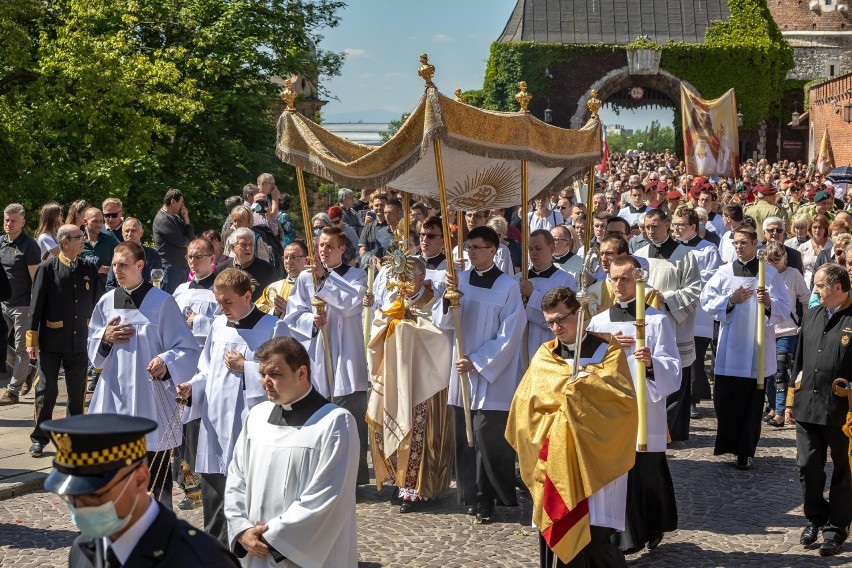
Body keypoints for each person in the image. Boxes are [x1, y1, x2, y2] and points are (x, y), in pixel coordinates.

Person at [506, 286, 637, 568]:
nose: (555, 327)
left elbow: (622, 402)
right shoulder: (545, 355)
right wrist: (560, 416)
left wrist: (584, 388)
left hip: (594, 461)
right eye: (550, 322)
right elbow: (525, 409)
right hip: (552, 459)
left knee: (595, 537)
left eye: (561, 319)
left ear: (579, 313)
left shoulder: (607, 351)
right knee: (554, 529)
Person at [224, 337, 359, 567]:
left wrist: (274, 537)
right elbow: (236, 478)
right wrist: (242, 529)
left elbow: (327, 495)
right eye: (262, 374)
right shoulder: (256, 416)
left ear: (301, 373)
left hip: (305, 553)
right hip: (254, 550)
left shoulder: (335, 423)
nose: (266, 382)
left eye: (275, 374)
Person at [41, 414, 239, 567]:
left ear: (140, 479)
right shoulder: (83, 549)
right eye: (71, 497)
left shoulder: (200, 559)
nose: (79, 507)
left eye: (94, 495)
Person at [87, 241, 201, 508]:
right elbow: (93, 352)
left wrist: (165, 361)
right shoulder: (106, 302)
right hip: (115, 398)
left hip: (150, 399)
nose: (117, 270)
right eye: (115, 265)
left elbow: (186, 348)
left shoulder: (162, 302)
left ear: (140, 265)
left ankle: (161, 527)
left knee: (155, 474)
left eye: (123, 265)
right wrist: (104, 338)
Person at [177, 268, 284, 544]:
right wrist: (192, 387)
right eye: (218, 302)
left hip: (250, 427)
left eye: (227, 302)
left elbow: (285, 379)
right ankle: (215, 556)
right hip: (216, 428)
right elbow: (206, 371)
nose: (221, 308)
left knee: (248, 502)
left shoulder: (272, 328)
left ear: (247, 296)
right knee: (215, 503)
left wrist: (246, 367)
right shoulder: (217, 326)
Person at [587, 257, 681, 554]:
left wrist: (652, 363)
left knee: (646, 472)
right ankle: (624, 537)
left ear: (639, 282)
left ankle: (653, 525)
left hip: (644, 409)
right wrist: (606, 347)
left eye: (625, 279)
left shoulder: (656, 320)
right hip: (610, 411)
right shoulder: (598, 323)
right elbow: (585, 368)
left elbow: (673, 367)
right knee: (617, 475)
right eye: (614, 279)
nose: (619, 285)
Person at [434, 225, 526, 521]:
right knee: (464, 435)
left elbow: (510, 333)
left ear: (493, 251)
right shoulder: (460, 281)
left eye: (476, 247)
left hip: (490, 375)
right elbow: (444, 323)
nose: (471, 252)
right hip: (461, 371)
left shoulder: (508, 287)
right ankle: (471, 496)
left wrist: (477, 361)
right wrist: (449, 300)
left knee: (487, 437)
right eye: (469, 247)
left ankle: (490, 497)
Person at [284, 226, 370, 485]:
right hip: (319, 354)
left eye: (329, 246)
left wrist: (324, 281)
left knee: (349, 420)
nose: (323, 250)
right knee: (320, 420)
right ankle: (324, 478)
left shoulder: (357, 276)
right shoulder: (303, 279)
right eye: (320, 245)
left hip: (347, 357)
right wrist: (312, 319)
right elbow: (293, 314)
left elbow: (349, 304)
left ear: (342, 249)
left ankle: (352, 480)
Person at [366, 257, 454, 512]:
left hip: (424, 381)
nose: (402, 283)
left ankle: (419, 489)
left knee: (418, 431)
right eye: (398, 277)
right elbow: (377, 329)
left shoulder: (436, 304)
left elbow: (441, 335)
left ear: (421, 279)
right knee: (388, 426)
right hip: (395, 378)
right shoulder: (395, 304)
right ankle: (399, 480)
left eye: (407, 277)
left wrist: (406, 328)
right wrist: (389, 324)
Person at [701, 226, 791, 469]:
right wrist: (730, 300)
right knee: (727, 399)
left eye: (743, 242)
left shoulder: (768, 274)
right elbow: (706, 300)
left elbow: (786, 307)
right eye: (735, 243)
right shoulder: (724, 272)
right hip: (730, 347)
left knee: (752, 402)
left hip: (756, 349)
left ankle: (745, 450)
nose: (738, 246)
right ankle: (727, 444)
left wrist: (769, 302)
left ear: (754, 243)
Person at [786, 263, 852, 557]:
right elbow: (798, 360)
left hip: (842, 411)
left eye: (820, 285)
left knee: (844, 471)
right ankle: (816, 516)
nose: (815, 290)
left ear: (838, 288)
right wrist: (790, 400)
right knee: (807, 467)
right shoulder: (812, 314)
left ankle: (837, 528)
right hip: (807, 407)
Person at [26, 225, 102, 457]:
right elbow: (36, 305)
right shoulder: (48, 268)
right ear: (64, 242)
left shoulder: (88, 267)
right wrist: (32, 339)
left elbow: (100, 303)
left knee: (76, 394)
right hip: (51, 341)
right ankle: (40, 437)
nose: (83, 242)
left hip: (79, 340)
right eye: (79, 238)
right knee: (46, 392)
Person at [634, 209, 701, 442]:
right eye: (647, 227)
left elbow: (694, 290)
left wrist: (667, 298)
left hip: (674, 323)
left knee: (675, 377)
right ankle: (656, 428)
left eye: (655, 226)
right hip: (647, 325)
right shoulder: (640, 255)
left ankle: (671, 430)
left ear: (667, 224)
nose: (650, 231)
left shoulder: (685, 255)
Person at [671, 206, 723, 418]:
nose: (677, 229)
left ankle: (691, 399)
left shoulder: (707, 249)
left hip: (698, 312)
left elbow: (711, 278)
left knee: (695, 358)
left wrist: (686, 283)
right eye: (674, 225)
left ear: (693, 226)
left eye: (681, 225)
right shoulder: (671, 249)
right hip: (674, 309)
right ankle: (675, 397)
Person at [763, 242, 810, 428]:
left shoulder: (793, 274)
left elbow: (805, 299)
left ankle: (781, 412)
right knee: (768, 372)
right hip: (767, 330)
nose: (773, 264)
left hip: (788, 329)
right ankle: (773, 407)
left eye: (777, 260)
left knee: (781, 371)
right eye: (770, 260)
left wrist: (805, 324)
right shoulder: (763, 274)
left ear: (785, 258)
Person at [0, 203, 42, 405]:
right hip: (3, 303)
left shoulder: (29, 245)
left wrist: (37, 307)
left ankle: (12, 391)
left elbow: (37, 280)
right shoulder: (1, 243)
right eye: (6, 220)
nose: (8, 224)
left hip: (23, 305)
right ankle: (28, 370)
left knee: (22, 349)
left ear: (23, 222)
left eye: (13, 221)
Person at [518, 229, 577, 364]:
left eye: (538, 248)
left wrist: (532, 295)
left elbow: (566, 317)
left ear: (552, 248)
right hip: (521, 344)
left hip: (550, 341)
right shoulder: (519, 279)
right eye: (530, 249)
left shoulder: (565, 280)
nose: (533, 253)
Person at [215, 228, 277, 302]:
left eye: (251, 244)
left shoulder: (268, 270)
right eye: (243, 245)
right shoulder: (221, 269)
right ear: (233, 248)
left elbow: (272, 298)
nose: (248, 248)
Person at [153, 188, 194, 293]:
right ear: (173, 202)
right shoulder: (162, 220)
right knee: (168, 300)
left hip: (181, 267)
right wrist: (187, 240)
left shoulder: (175, 217)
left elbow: (191, 238)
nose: (183, 205)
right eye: (181, 202)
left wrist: (186, 219)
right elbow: (181, 241)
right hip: (169, 269)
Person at [104, 217, 163, 291]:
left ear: (141, 232)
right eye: (127, 231)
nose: (129, 234)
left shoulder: (152, 255)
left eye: (133, 230)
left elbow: (156, 281)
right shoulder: (117, 255)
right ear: (122, 234)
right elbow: (110, 284)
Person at [255, 241, 309, 317]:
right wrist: (275, 312)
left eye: (294, 257)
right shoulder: (273, 288)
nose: (288, 261)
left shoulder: (315, 285)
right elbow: (258, 314)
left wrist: (290, 311)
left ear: (306, 260)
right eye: (286, 257)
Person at [80, 207, 119, 287]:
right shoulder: (78, 242)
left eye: (101, 221)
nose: (99, 225)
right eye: (95, 221)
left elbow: (122, 263)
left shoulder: (110, 240)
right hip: (83, 288)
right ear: (85, 221)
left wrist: (106, 270)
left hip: (105, 288)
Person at [798, 214, 832, 286]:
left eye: (820, 227)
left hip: (827, 285)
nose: (817, 230)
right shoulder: (803, 247)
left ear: (825, 229)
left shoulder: (832, 245)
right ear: (810, 228)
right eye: (815, 227)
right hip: (806, 287)